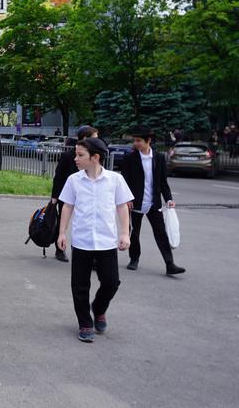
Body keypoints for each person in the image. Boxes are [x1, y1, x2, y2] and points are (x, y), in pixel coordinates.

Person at [56, 137, 133, 343]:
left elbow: (122, 207)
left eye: (80, 155)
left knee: (111, 282)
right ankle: (85, 323)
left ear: (95, 157)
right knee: (80, 286)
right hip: (82, 241)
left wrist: (124, 233)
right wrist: (62, 232)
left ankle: (99, 308)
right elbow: (67, 206)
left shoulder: (115, 180)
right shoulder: (74, 180)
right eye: (76, 154)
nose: (76, 158)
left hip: (106, 241)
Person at [119, 126, 186, 276]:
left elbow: (163, 181)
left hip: (153, 202)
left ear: (148, 140)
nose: (136, 143)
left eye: (139, 141)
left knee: (161, 233)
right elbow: (124, 181)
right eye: (135, 140)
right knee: (134, 233)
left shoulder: (159, 158)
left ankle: (170, 264)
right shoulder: (130, 158)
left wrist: (169, 199)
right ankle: (134, 259)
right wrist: (126, 198)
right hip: (135, 202)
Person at [49, 125, 100, 263]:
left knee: (87, 224)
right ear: (85, 138)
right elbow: (59, 177)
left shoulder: (95, 156)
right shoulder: (67, 156)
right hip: (67, 196)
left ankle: (90, 255)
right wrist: (54, 197)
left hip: (87, 195)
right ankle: (60, 249)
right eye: (94, 138)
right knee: (62, 222)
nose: (97, 141)